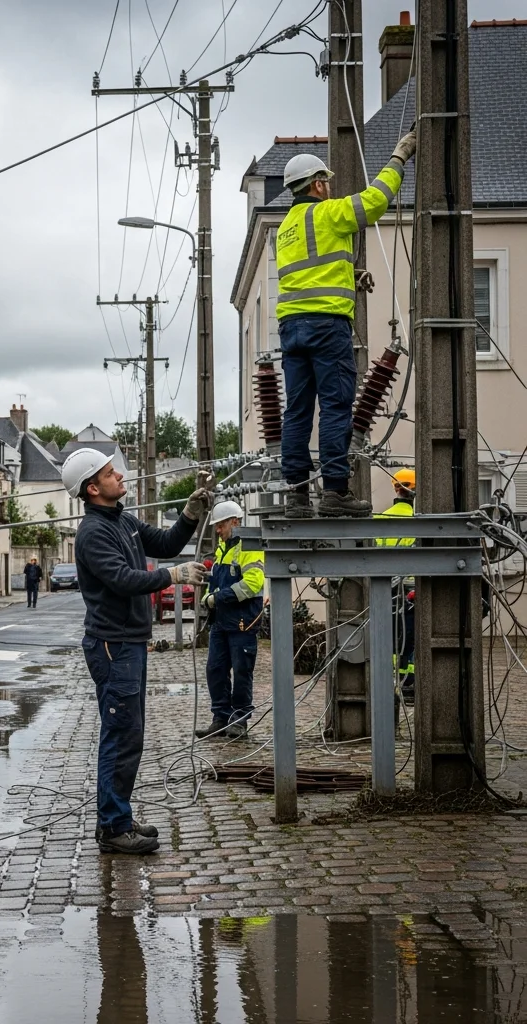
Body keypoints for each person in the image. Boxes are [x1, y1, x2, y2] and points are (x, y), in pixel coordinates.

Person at [66, 447, 213, 855]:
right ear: (93, 488)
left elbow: (165, 542)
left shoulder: (124, 520)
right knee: (120, 735)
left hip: (128, 642)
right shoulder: (93, 533)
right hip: (113, 646)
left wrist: (189, 515)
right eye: (110, 473)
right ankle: (113, 827)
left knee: (130, 735)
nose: (120, 476)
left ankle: (119, 817)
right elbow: (122, 579)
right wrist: (173, 575)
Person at [275, 130, 417, 519]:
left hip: (292, 328)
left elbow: (309, 270)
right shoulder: (329, 213)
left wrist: (349, 275)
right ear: (317, 184)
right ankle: (335, 492)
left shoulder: (286, 228)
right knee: (336, 406)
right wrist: (399, 157)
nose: (329, 187)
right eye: (326, 182)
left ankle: (296, 497)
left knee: (297, 411)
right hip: (327, 325)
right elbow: (375, 201)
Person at [192, 501, 266, 740]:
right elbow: (215, 583)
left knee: (242, 671)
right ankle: (220, 719)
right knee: (215, 670)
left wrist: (217, 598)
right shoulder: (223, 549)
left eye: (221, 525)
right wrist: (208, 598)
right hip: (222, 622)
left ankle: (239, 721)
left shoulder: (250, 547)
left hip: (243, 621)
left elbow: (253, 583)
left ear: (234, 521)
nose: (218, 530)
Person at [376, 468, 416, 703]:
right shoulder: (421, 522)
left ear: (396, 489)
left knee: (391, 640)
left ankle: (389, 686)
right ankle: (409, 686)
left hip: (386, 593)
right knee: (412, 641)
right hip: (414, 594)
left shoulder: (380, 519)